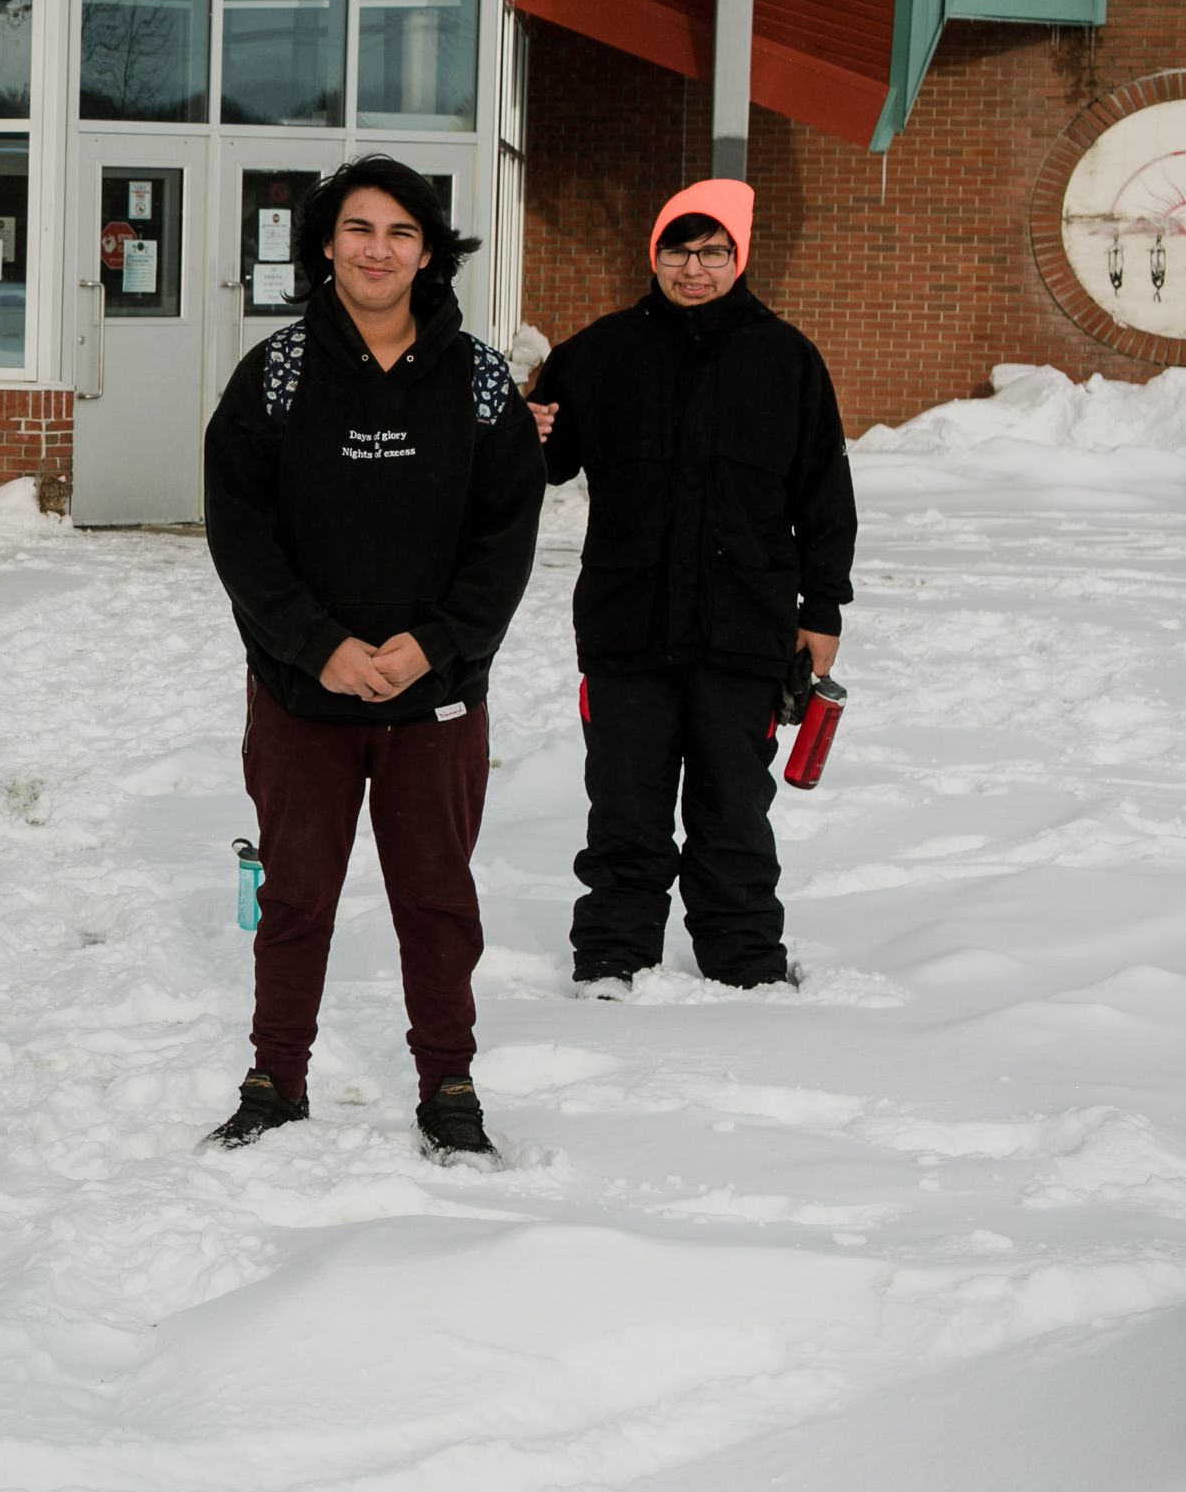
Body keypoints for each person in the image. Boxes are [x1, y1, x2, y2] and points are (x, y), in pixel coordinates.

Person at [199, 157, 542, 1162]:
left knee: (436, 898)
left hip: (435, 702)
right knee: (295, 896)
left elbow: (506, 537)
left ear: (429, 251)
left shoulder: (479, 382)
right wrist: (319, 647)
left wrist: (434, 646)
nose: (377, 249)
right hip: (303, 697)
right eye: (358, 228)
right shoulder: (276, 374)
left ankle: (448, 1081)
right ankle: (277, 1075)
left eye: (399, 231)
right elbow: (240, 532)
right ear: (324, 244)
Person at [529, 179, 856, 995]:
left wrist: (822, 610)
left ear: (739, 256)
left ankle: (744, 961)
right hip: (627, 624)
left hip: (745, 626)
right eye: (679, 249)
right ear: (655, 254)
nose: (695, 268)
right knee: (626, 805)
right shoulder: (599, 352)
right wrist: (517, 426)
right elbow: (543, 460)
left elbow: (823, 493)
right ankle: (612, 956)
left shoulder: (786, 359)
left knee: (733, 807)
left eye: (714, 251)